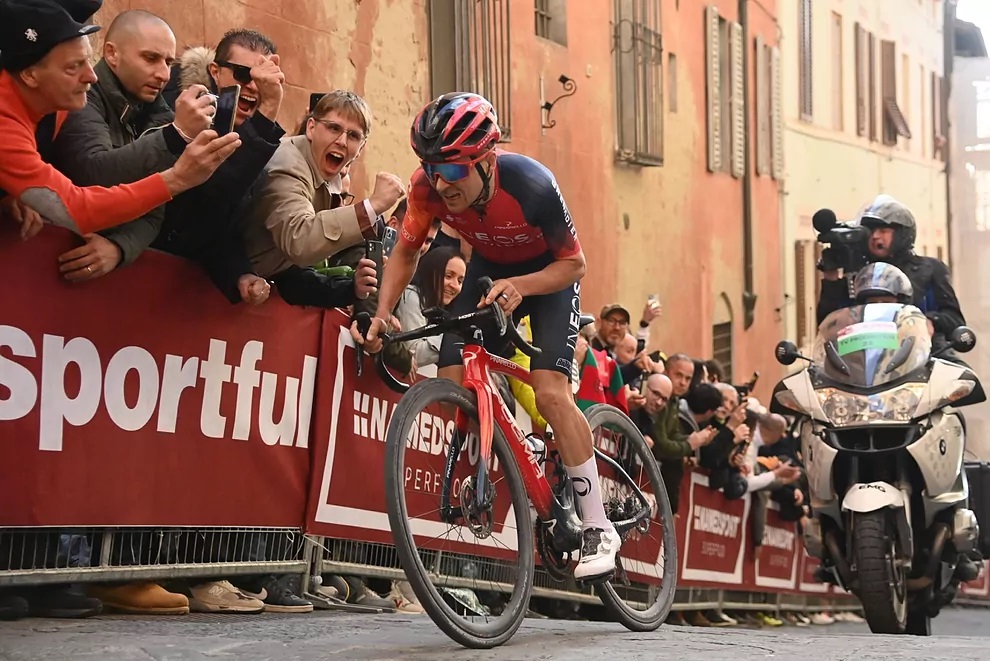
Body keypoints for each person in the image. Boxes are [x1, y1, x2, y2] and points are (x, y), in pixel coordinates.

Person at [353, 92, 619, 581]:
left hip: (548, 278)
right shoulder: (427, 189)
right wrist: (383, 313)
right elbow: (407, 253)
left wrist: (521, 286)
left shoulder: (531, 184)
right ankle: (516, 467)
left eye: (453, 171)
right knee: (454, 378)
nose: (441, 182)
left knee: (550, 393)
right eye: (432, 169)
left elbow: (574, 263)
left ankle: (599, 527)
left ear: (487, 160)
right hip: (490, 272)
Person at [0, 0, 240, 239]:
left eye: (169, 62)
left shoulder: (62, 96)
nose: (91, 76)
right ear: (30, 75)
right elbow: (76, 206)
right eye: (73, 67)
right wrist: (178, 178)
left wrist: (14, 192)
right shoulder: (7, 125)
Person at [816, 195, 964, 349]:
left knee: (963, 372)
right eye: (871, 231)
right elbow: (827, 326)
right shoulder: (857, 274)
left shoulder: (931, 268)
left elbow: (955, 321)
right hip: (861, 359)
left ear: (902, 234)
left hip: (925, 356)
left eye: (883, 230)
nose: (875, 236)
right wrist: (830, 277)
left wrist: (931, 321)